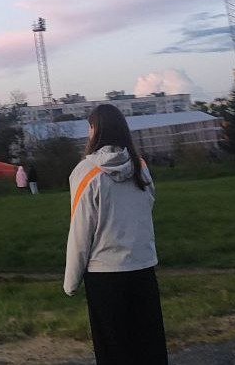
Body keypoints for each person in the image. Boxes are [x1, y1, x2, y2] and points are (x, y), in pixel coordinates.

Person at [64, 104, 167, 365]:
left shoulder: (85, 172)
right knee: (149, 345)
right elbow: (148, 205)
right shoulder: (140, 166)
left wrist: (71, 281)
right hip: (143, 268)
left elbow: (80, 229)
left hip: (104, 276)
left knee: (113, 350)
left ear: (95, 131)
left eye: (90, 127)